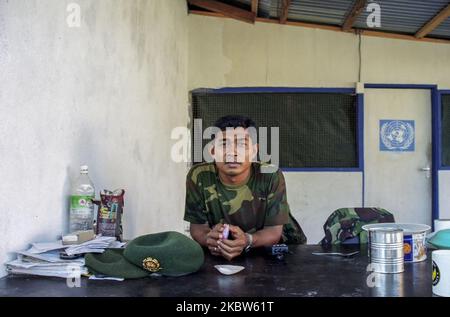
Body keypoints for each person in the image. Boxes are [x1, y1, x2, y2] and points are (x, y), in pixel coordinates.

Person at [184, 115, 306, 261]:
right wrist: (209, 239)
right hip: (219, 253)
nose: (232, 153)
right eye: (224, 144)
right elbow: (197, 228)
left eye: (242, 144)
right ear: (212, 151)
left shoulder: (270, 175)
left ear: (254, 151)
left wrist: (247, 240)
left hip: (271, 252)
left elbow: (274, 232)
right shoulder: (199, 176)